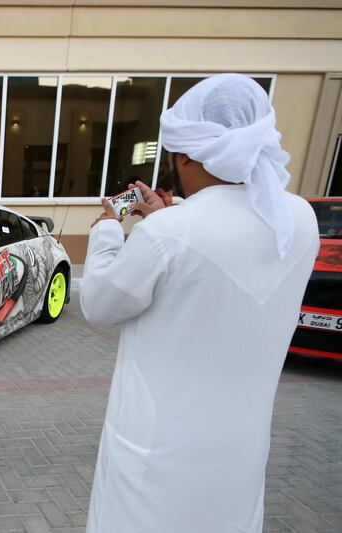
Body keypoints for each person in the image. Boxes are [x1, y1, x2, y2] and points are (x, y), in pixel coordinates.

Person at [81, 74, 319, 533]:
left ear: (185, 152)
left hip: (159, 453)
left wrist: (108, 229)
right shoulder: (300, 219)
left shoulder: (170, 234)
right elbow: (222, 255)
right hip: (239, 449)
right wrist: (169, 219)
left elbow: (99, 302)